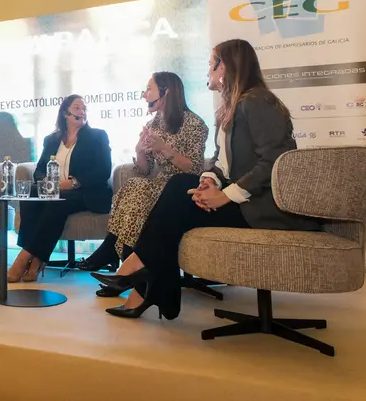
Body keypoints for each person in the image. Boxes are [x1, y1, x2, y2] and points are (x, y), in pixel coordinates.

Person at [92, 39, 321, 320]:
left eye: (212, 63)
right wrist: (209, 181)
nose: (207, 69)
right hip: (240, 201)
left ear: (226, 66)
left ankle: (140, 277)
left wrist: (225, 195)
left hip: (262, 208)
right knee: (178, 191)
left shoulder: (258, 101)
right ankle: (144, 282)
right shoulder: (229, 108)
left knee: (177, 188)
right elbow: (220, 163)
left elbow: (276, 160)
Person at [78, 73, 208, 298]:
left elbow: (195, 168)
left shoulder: (194, 123)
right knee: (135, 185)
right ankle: (122, 264)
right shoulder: (153, 124)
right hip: (161, 184)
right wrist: (140, 151)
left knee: (139, 189)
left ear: (166, 92)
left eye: (149, 89)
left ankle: (115, 256)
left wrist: (164, 148)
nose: (144, 95)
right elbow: (145, 170)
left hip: (182, 190)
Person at [8, 95, 112, 283]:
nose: (82, 111)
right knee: (30, 192)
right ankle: (36, 260)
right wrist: (46, 182)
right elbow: (39, 170)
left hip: (87, 193)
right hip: (55, 190)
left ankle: (26, 257)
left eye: (84, 108)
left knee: (58, 202)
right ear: (66, 113)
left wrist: (73, 182)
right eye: (77, 107)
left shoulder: (97, 136)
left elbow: (104, 170)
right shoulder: (51, 140)